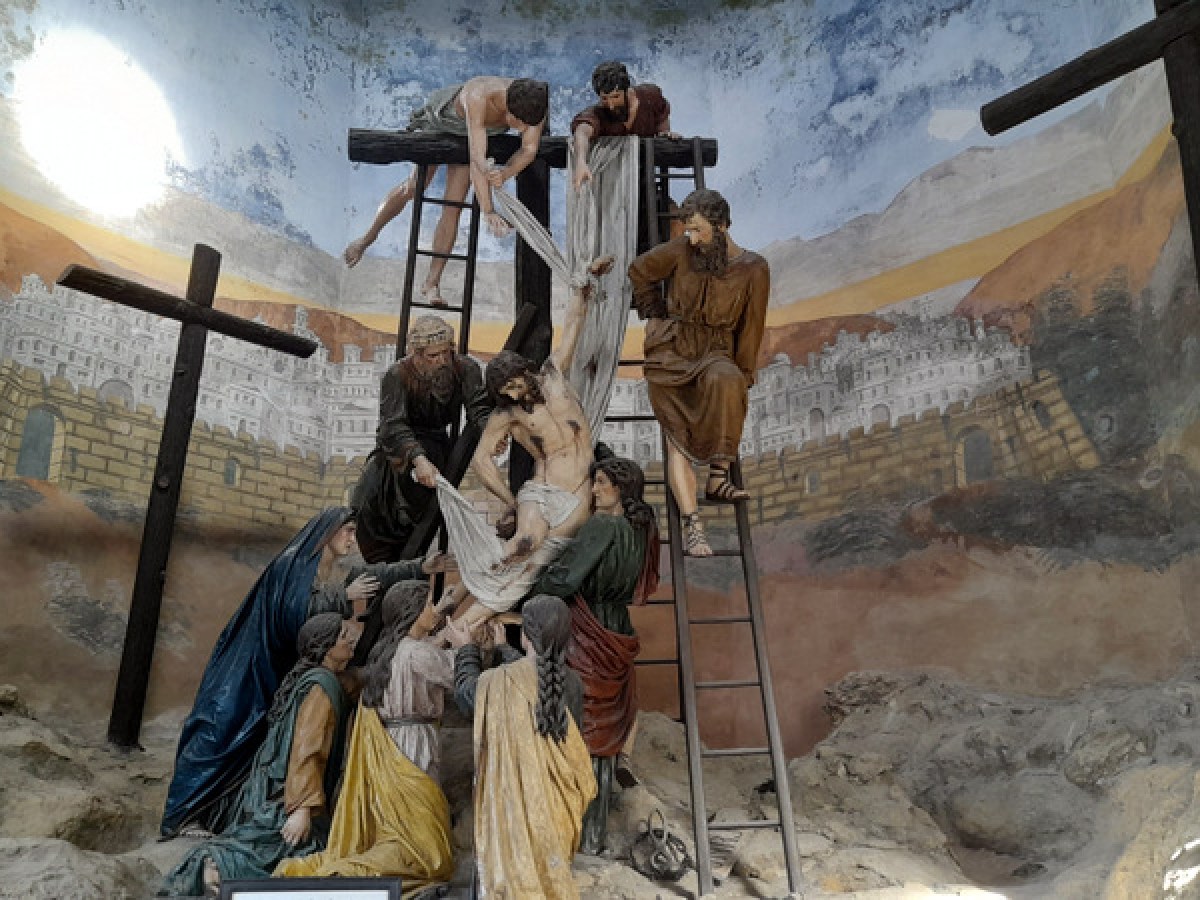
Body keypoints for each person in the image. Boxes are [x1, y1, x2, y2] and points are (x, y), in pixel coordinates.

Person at [161, 510, 443, 838]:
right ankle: (180, 816)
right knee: (220, 729)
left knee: (253, 743)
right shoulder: (291, 565)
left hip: (280, 667)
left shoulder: (334, 571)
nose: (353, 539)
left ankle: (219, 816)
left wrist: (420, 567)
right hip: (249, 663)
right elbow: (288, 615)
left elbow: (374, 575)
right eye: (348, 531)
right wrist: (343, 598)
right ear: (327, 533)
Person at [163, 613, 357, 897]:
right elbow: (308, 748)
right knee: (291, 849)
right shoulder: (320, 687)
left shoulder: (317, 679)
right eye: (343, 636)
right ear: (326, 646)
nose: (350, 639)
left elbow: (354, 682)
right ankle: (217, 865)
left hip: (270, 788)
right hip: (286, 796)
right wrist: (302, 809)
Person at [275, 582, 455, 890]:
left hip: (393, 744)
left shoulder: (387, 651)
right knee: (426, 847)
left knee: (403, 828)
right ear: (411, 612)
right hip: (416, 744)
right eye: (428, 604)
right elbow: (455, 674)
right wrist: (473, 648)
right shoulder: (416, 653)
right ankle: (350, 874)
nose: (432, 609)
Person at [627, 188, 769, 557]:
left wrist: (746, 373)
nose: (692, 238)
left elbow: (752, 326)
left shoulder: (754, 269)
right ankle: (694, 526)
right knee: (677, 438)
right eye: (688, 230)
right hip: (671, 350)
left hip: (715, 351)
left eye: (699, 230)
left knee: (729, 380)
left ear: (721, 226)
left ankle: (718, 478)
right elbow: (639, 270)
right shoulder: (681, 251)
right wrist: (653, 311)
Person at [531, 451, 659, 853]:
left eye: (603, 483)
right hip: (616, 630)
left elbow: (566, 578)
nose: (596, 490)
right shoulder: (642, 530)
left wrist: (528, 591)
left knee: (578, 732)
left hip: (585, 630)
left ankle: (570, 835)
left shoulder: (601, 526)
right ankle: (593, 836)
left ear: (620, 489)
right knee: (602, 741)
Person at [344, 76, 549, 306]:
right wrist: (488, 209)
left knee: (453, 206)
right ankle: (367, 238)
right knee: (412, 188)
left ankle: (432, 283)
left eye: (526, 124)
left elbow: (529, 150)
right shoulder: (479, 95)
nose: (523, 129)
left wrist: (505, 173)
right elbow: (477, 158)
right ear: (508, 105)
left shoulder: (535, 103)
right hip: (446, 124)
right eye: (518, 122)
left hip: (474, 137)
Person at [449, 595, 596, 898]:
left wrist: (465, 650)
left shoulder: (501, 681)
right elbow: (539, 680)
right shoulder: (573, 682)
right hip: (558, 809)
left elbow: (468, 697)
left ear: (526, 635)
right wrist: (504, 649)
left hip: (514, 808)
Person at [351, 315, 491, 564]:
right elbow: (392, 424)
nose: (441, 361)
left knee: (417, 515)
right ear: (417, 354)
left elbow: (478, 409)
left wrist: (492, 435)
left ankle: (406, 565)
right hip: (397, 449)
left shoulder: (465, 368)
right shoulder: (397, 375)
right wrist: (418, 460)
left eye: (446, 353)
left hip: (436, 447)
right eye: (433, 356)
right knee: (365, 502)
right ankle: (381, 568)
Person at [571, 61, 679, 191]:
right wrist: (581, 161)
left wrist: (664, 132)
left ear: (626, 90)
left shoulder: (650, 96)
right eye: (604, 98)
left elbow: (661, 114)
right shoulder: (599, 113)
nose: (610, 104)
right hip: (613, 183)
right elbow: (582, 131)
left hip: (646, 177)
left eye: (615, 97)